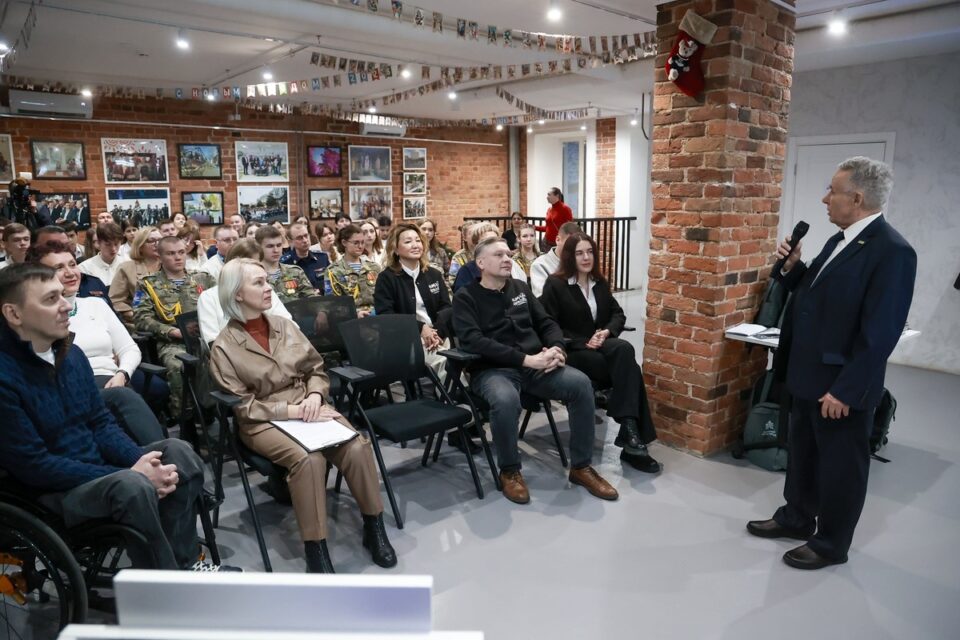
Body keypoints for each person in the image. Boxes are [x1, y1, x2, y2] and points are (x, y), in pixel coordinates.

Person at [0, 263, 234, 571]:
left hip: (99, 470)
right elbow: (35, 466)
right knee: (132, 486)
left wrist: (142, 462)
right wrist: (133, 473)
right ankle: (165, 584)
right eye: (50, 299)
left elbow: (101, 423)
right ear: (14, 314)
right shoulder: (5, 377)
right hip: (52, 493)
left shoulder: (72, 355)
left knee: (180, 453)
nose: (65, 306)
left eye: (61, 295)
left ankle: (185, 563)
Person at [747, 157, 917, 570]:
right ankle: (797, 517)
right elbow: (813, 294)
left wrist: (846, 389)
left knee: (841, 468)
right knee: (803, 454)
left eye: (832, 191)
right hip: (807, 374)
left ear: (856, 198)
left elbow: (880, 334)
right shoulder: (838, 240)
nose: (825, 199)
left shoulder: (892, 252)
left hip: (839, 386)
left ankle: (831, 543)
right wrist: (792, 269)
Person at [209, 258, 396, 573]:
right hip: (263, 420)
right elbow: (242, 406)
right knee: (309, 460)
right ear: (237, 294)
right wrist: (291, 410)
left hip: (307, 404)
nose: (269, 288)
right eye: (258, 283)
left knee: (356, 446)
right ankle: (315, 548)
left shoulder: (284, 326)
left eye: (267, 281)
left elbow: (316, 369)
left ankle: (373, 526)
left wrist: (314, 395)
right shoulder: (224, 347)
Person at [452, 237, 618, 504]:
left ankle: (581, 467)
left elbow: (546, 322)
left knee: (580, 384)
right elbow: (474, 341)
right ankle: (510, 470)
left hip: (536, 365)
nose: (507, 259)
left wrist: (556, 348)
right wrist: (526, 360)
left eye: (508, 255)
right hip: (493, 370)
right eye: (499, 255)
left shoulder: (519, 288)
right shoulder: (466, 297)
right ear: (480, 263)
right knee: (505, 399)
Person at [539, 233, 661, 473]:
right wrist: (582, 341)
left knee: (624, 349)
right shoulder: (556, 284)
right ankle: (632, 440)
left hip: (600, 345)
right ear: (569, 257)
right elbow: (548, 325)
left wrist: (606, 332)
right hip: (572, 350)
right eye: (579, 253)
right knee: (631, 370)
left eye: (590, 252)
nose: (586, 257)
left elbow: (618, 314)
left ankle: (630, 430)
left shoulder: (599, 282)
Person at [28, 242, 168, 442]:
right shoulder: (38, 316)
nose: (70, 273)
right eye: (58, 267)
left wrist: (122, 374)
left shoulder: (96, 304)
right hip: (73, 388)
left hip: (114, 380)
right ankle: (159, 453)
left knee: (130, 407)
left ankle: (161, 453)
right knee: (125, 403)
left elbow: (129, 349)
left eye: (73, 264)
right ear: (39, 276)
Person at [133, 237, 216, 418]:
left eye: (181, 252)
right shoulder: (147, 284)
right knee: (179, 366)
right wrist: (171, 331)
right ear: (160, 256)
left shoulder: (203, 279)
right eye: (171, 254)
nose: (178, 257)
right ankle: (184, 416)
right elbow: (141, 318)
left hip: (206, 338)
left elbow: (221, 305)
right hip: (173, 342)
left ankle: (219, 411)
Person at [374, 223, 451, 380]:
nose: (415, 245)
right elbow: (386, 316)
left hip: (438, 334)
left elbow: (446, 307)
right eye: (408, 242)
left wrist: (436, 332)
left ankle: (449, 392)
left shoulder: (434, 274)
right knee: (445, 361)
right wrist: (421, 328)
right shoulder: (386, 278)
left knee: (458, 356)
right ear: (395, 249)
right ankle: (457, 395)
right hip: (406, 339)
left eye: (418, 240)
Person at [197, 239, 291, 345]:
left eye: (258, 263)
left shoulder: (265, 290)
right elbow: (212, 342)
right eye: (250, 264)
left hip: (275, 348)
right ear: (232, 264)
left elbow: (289, 325)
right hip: (232, 353)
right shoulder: (209, 297)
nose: (257, 269)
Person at [110, 226, 162, 329]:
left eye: (160, 240)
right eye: (151, 241)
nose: (157, 244)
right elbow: (116, 301)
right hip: (140, 324)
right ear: (140, 246)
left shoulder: (170, 265)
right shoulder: (126, 268)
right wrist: (135, 315)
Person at [452, 222, 527, 293]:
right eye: (488, 242)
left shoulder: (509, 265)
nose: (494, 244)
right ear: (477, 245)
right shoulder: (467, 271)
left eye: (495, 240)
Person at [326, 224, 382, 317]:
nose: (360, 246)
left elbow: (383, 296)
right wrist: (354, 314)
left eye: (362, 242)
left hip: (376, 315)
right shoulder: (333, 271)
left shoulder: (374, 267)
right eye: (356, 243)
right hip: (350, 318)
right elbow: (332, 303)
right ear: (344, 242)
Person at [257, 226, 317, 303]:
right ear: (259, 247)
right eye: (270, 246)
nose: (276, 250)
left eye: (279, 245)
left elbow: (311, 299)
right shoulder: (253, 275)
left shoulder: (295, 271)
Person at [530, 221, 581, 297]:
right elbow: (543, 298)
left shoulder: (579, 262)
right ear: (557, 240)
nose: (573, 247)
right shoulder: (540, 265)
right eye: (569, 243)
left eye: (577, 244)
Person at [281, 221, 329, 291]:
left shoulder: (322, 258)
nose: (305, 240)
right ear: (291, 241)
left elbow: (330, 284)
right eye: (299, 238)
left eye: (306, 235)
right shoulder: (285, 263)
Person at [447, 222, 476, 287]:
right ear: (464, 237)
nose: (475, 235)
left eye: (476, 232)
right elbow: (452, 280)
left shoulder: (486, 253)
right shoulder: (458, 257)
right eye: (471, 233)